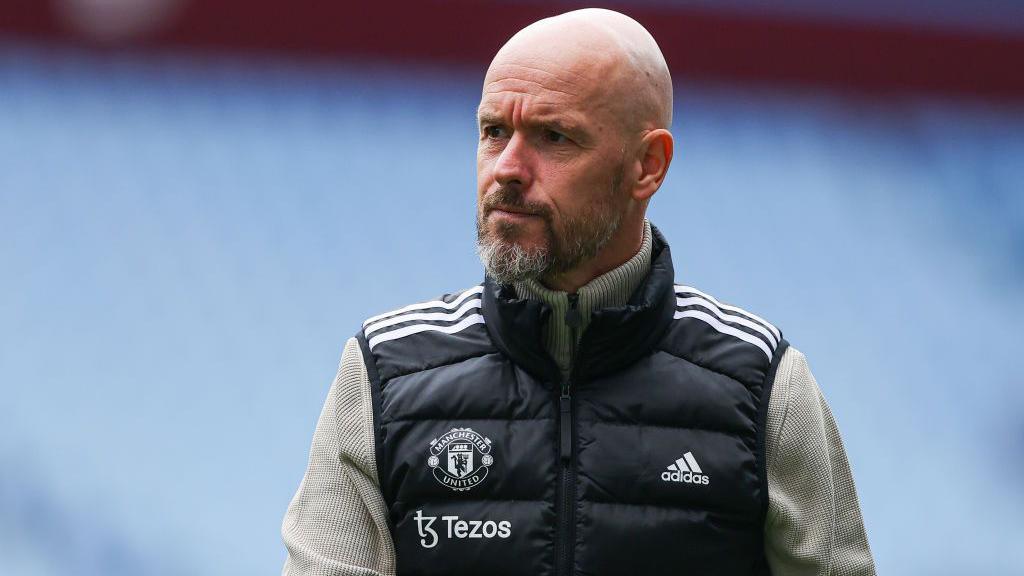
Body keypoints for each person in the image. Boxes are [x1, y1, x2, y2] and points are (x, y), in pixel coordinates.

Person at [281, 8, 874, 576]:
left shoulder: (763, 383)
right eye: (493, 132)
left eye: (553, 137)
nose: (507, 169)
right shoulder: (384, 372)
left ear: (648, 165)